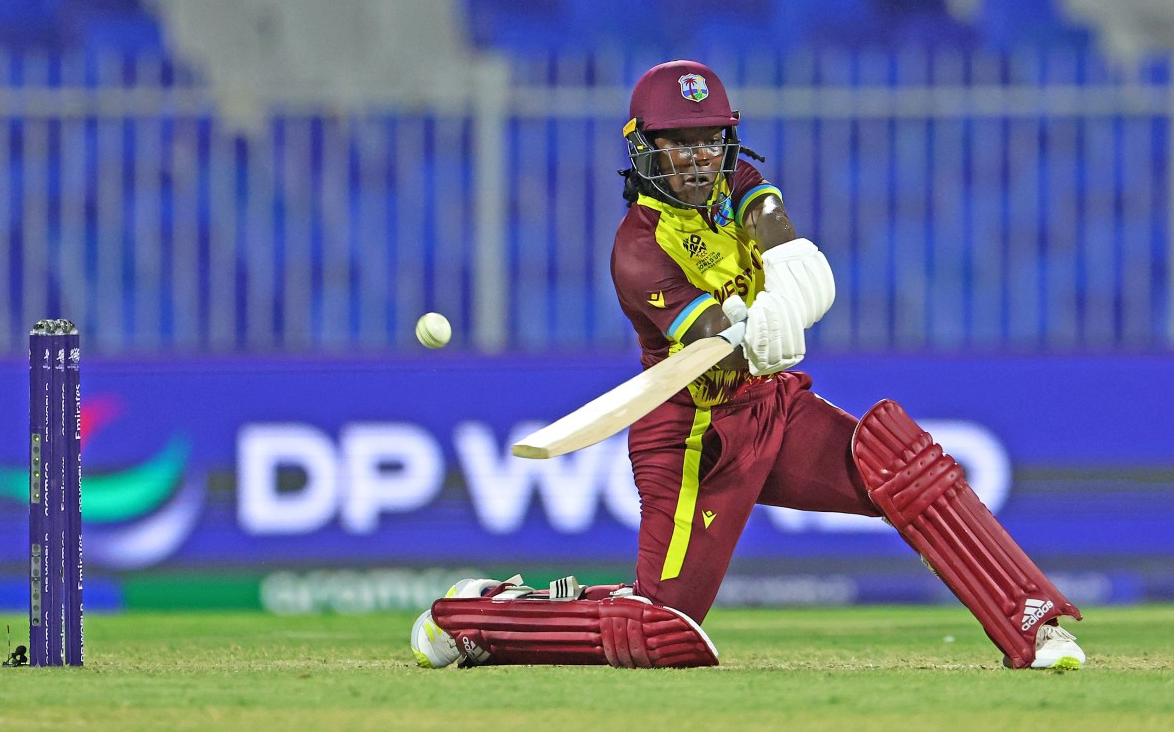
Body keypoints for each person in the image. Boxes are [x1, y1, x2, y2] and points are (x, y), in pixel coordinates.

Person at [410, 60, 1087, 671]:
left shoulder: (740, 181)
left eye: (710, 139)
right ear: (645, 148)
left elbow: (790, 252)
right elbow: (714, 335)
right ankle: (482, 616)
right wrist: (759, 327)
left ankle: (1034, 624)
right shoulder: (639, 250)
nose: (699, 158)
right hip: (695, 440)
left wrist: (792, 295)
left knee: (901, 465)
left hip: (774, 409)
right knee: (662, 629)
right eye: (680, 142)